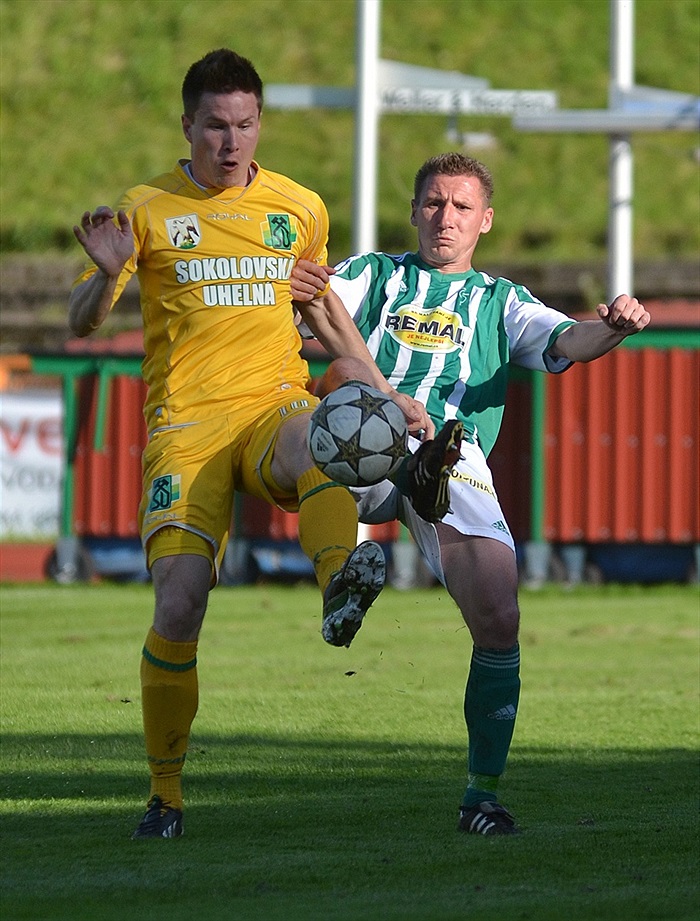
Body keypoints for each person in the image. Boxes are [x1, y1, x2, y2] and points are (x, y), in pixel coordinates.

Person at [68, 49, 456, 840]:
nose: (231, 140)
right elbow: (82, 321)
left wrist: (388, 395)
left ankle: (338, 582)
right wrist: (105, 275)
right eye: (216, 125)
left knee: (327, 426)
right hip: (186, 427)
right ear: (188, 125)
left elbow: (321, 317)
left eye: (245, 124)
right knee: (180, 603)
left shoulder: (297, 209)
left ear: (259, 124)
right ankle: (165, 796)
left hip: (271, 403)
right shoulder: (146, 209)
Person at [291, 152, 651, 836]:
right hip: (368, 438)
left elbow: (571, 340)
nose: (444, 217)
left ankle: (479, 797)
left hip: (447, 458)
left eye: (460, 207)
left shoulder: (498, 300)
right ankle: (340, 574)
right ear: (414, 211)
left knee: (499, 615)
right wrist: (298, 286)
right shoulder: (375, 274)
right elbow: (316, 312)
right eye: (432, 202)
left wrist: (616, 325)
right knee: (337, 379)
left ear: (485, 220)